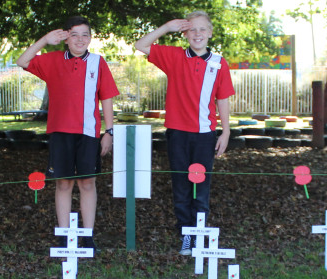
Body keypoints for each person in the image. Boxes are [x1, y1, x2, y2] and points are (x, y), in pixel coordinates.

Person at [134, 11, 234, 255]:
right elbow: (141, 44)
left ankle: (199, 234)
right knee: (181, 187)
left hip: (205, 135)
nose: (197, 34)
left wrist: (226, 132)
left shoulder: (219, 63)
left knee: (200, 187)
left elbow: (222, 99)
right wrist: (167, 26)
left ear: (210, 33)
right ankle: (186, 235)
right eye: (192, 30)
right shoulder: (174, 56)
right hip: (178, 134)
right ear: (185, 34)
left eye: (202, 29)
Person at [17, 16, 119, 249]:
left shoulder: (97, 62)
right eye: (74, 34)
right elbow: (22, 61)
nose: (80, 39)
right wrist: (44, 40)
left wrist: (109, 131)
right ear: (65, 38)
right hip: (60, 132)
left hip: (88, 132)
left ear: (90, 38)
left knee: (87, 183)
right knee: (63, 184)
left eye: (85, 34)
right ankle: (63, 236)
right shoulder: (52, 60)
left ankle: (87, 236)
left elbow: (107, 99)